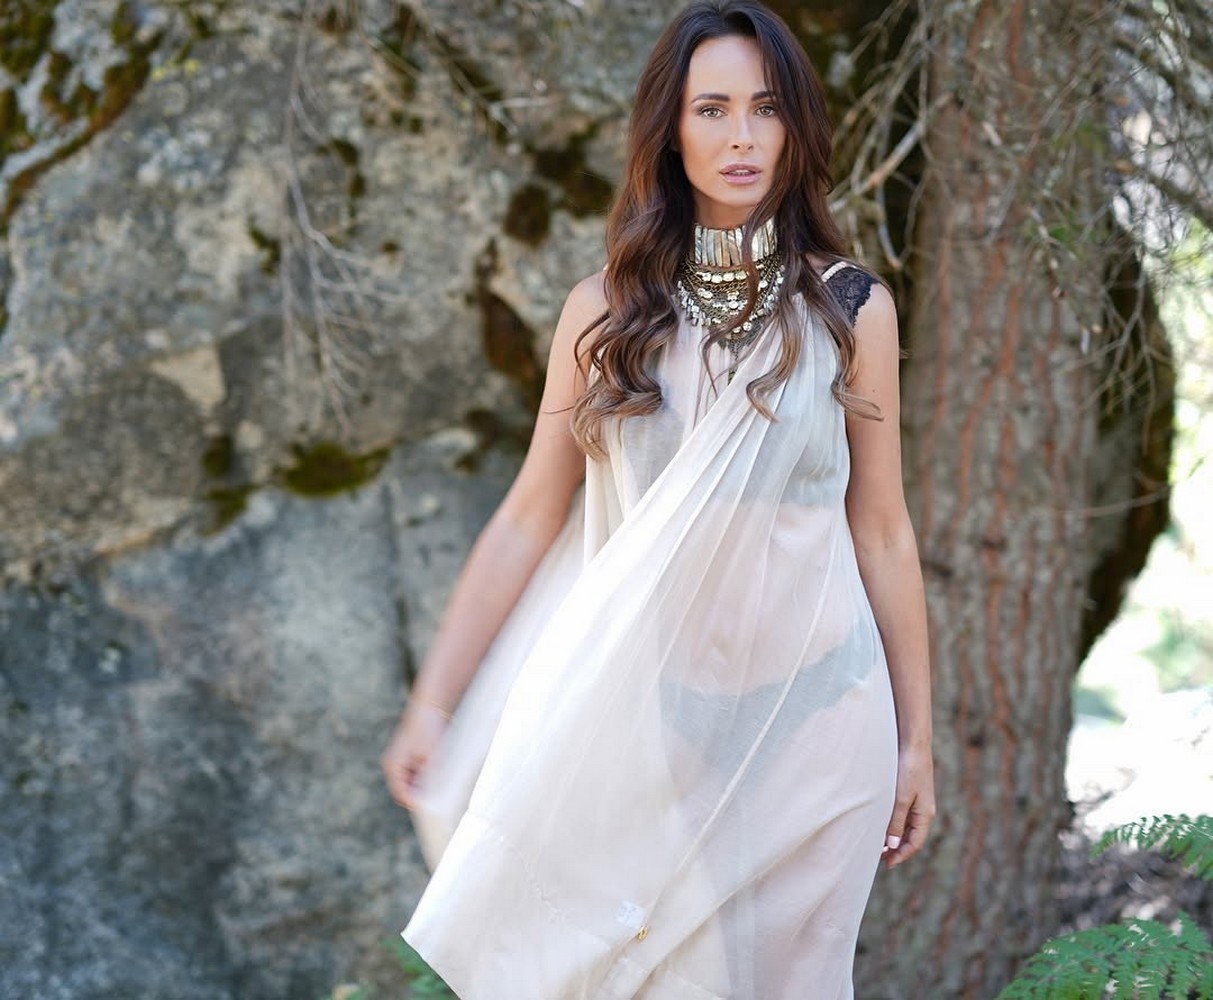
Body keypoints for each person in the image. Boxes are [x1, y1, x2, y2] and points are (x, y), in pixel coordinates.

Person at [381, 2, 934, 996]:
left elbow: (884, 533)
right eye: (711, 109)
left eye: (765, 108)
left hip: (821, 712)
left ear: (795, 126)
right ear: (669, 131)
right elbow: (528, 515)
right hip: (655, 720)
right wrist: (432, 700)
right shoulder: (605, 314)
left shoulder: (852, 309)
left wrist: (915, 741)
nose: (741, 135)